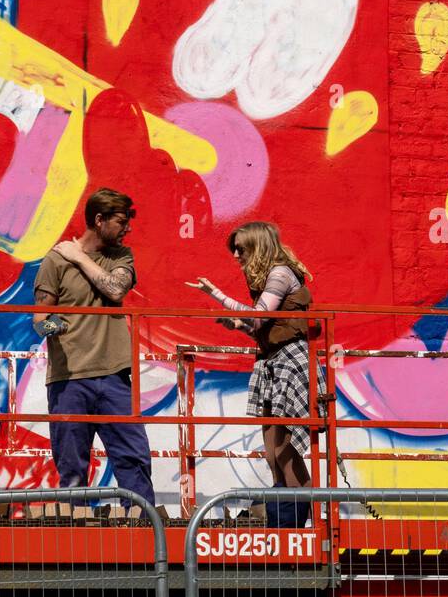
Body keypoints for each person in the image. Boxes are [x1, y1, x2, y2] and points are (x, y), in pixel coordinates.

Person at [186, 221, 323, 519]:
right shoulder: (268, 278)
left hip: (290, 364)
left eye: (241, 249)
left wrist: (217, 296)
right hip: (273, 362)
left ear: (258, 246)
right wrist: (238, 325)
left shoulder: (280, 273)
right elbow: (264, 326)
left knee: (287, 452)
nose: (236, 255)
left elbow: (260, 317)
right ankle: (286, 520)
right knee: (275, 452)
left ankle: (296, 525)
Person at [33, 187, 154, 507]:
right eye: (120, 221)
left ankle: (142, 532)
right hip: (68, 379)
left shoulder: (120, 257)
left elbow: (115, 290)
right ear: (98, 220)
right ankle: (75, 542)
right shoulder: (54, 261)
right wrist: (52, 326)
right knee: (72, 467)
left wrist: (79, 257)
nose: (127, 227)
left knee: (134, 458)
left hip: (115, 376)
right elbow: (39, 321)